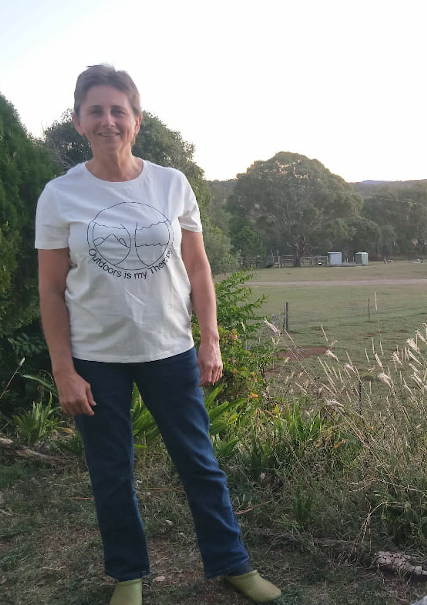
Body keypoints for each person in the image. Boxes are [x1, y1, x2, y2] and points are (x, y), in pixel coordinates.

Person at [35, 64, 281, 605]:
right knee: (111, 471)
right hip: (95, 356)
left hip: (170, 349)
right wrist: (64, 371)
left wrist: (210, 337)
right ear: (79, 122)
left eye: (117, 110)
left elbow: (198, 268)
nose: (107, 121)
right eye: (94, 111)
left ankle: (233, 563)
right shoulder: (59, 195)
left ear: (136, 119)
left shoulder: (171, 184)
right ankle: (128, 576)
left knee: (200, 462)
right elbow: (51, 290)